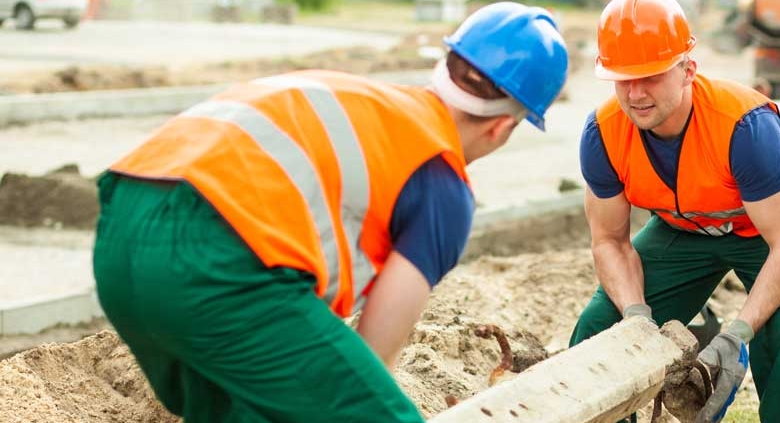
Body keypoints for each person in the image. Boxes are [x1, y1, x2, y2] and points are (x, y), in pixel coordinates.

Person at [91, 3, 568, 422]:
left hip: (120, 231)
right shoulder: (442, 182)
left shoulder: (363, 102)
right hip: (217, 264)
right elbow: (373, 353)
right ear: (504, 125)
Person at [570, 0, 780, 422]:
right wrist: (636, 318)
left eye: (650, 77)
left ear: (687, 70)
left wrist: (738, 335)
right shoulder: (603, 133)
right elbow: (609, 242)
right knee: (600, 325)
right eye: (623, 79)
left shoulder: (743, 127)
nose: (635, 94)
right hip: (686, 226)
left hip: (770, 230)